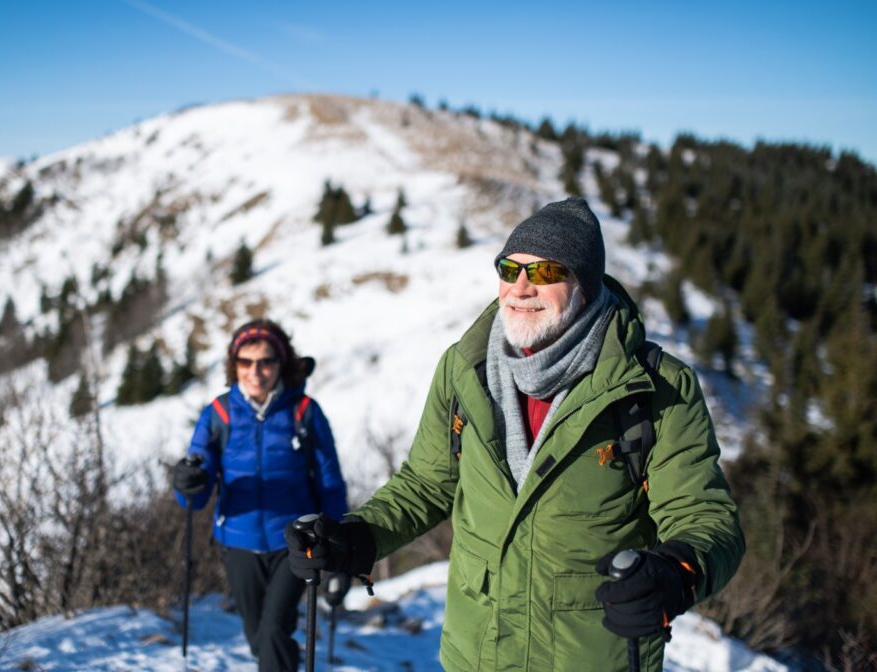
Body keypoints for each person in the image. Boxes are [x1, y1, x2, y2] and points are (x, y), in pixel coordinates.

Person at [284, 198, 745, 671]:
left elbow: (703, 515)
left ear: (583, 284)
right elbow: (427, 484)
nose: (521, 287)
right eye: (509, 269)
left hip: (593, 657)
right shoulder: (466, 370)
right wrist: (356, 537)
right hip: (478, 654)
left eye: (545, 272)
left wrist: (676, 573)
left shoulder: (655, 387)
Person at [173, 319, 350, 672]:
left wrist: (342, 552)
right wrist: (188, 481)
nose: (256, 371)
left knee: (272, 631)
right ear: (234, 365)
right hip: (238, 544)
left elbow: (330, 482)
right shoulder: (218, 414)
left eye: (266, 361)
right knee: (259, 637)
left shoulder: (304, 412)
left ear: (281, 364)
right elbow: (197, 490)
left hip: (295, 542)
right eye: (246, 361)